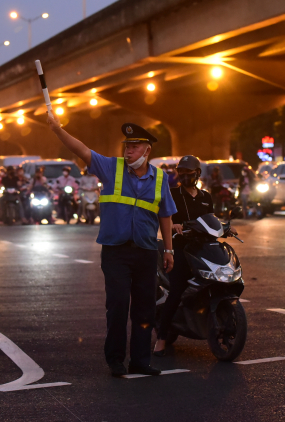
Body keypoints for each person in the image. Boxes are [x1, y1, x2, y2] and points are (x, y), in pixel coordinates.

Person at [47, 112, 176, 378]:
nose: (128, 151)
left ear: (147, 150)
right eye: (126, 146)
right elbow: (81, 149)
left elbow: (165, 215)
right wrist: (58, 130)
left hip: (146, 251)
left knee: (145, 308)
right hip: (116, 251)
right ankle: (115, 359)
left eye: (134, 146)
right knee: (118, 305)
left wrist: (170, 250)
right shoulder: (111, 167)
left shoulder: (160, 179)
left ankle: (140, 360)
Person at [154, 155, 213, 356]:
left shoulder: (206, 197)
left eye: (189, 173)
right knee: (177, 290)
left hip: (203, 249)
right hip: (179, 249)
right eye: (182, 173)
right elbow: (163, 218)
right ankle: (161, 338)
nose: (185, 177)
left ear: (197, 174)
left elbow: (211, 220)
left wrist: (226, 228)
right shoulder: (172, 195)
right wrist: (173, 225)